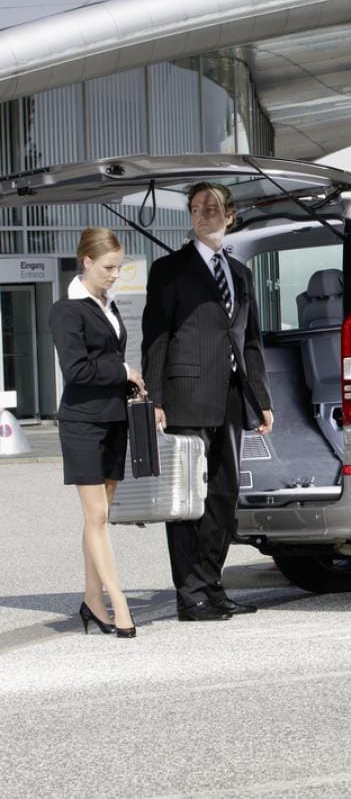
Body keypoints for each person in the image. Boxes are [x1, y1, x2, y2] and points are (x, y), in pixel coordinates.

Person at [143, 182, 274, 622]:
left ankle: (213, 587)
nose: (204, 214)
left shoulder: (241, 273)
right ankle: (190, 596)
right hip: (184, 396)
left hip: (231, 398)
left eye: (213, 208)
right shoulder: (169, 270)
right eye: (197, 208)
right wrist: (155, 399)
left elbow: (249, 341)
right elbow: (156, 339)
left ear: (230, 215)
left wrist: (262, 399)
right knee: (188, 500)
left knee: (223, 496)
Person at [49, 227, 146, 638]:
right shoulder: (66, 310)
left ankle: (92, 600)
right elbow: (77, 371)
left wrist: (138, 387)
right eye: (108, 267)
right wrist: (123, 371)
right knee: (96, 518)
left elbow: (109, 358)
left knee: (100, 519)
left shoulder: (108, 305)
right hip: (82, 422)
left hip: (114, 420)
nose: (114, 275)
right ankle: (117, 602)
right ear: (86, 261)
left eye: (118, 268)